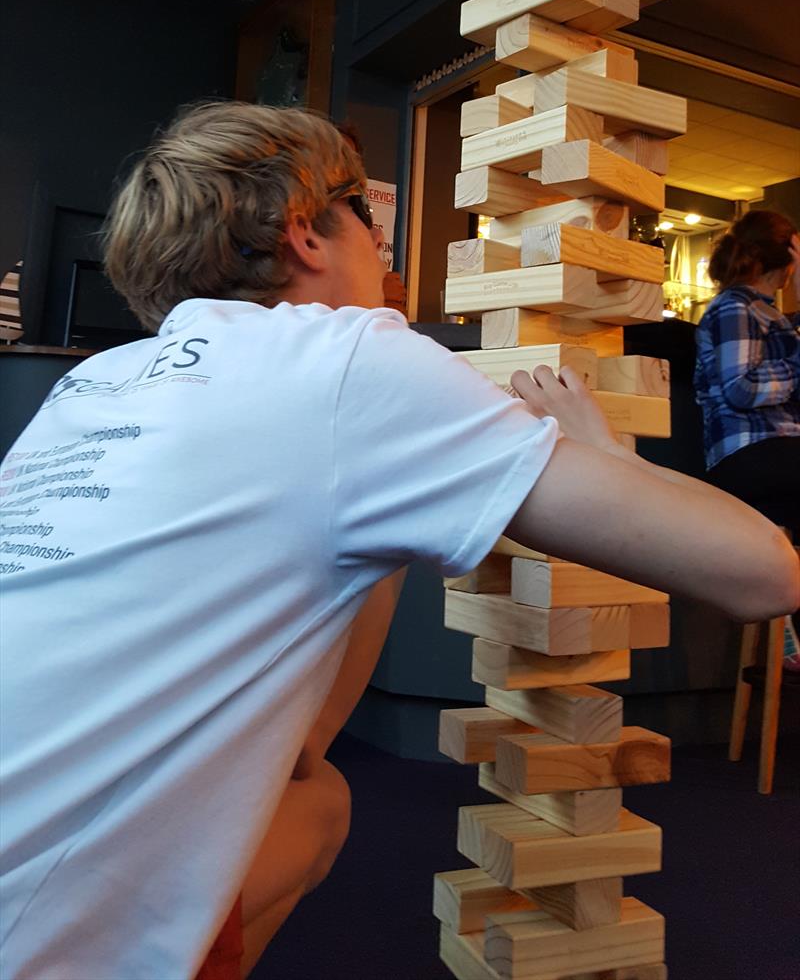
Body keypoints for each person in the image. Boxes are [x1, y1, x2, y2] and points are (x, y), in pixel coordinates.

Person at [0, 103, 797, 980]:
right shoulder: (347, 358)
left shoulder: (91, 383)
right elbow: (765, 572)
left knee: (316, 804)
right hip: (37, 941)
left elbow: (299, 744)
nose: (384, 254)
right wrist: (602, 453)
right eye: (368, 218)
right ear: (306, 232)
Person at [694, 209, 800, 537]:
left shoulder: (767, 312)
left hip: (774, 449)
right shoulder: (734, 306)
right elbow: (741, 386)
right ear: (787, 258)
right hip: (750, 449)